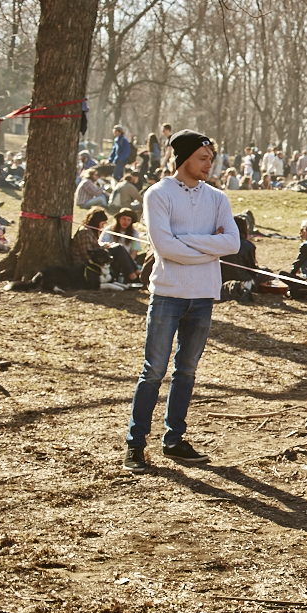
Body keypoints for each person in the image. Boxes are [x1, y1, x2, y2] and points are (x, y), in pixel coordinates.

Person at [123, 130, 239, 474]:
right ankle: (136, 444)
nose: (209, 164)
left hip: (203, 296)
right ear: (184, 158)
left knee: (186, 371)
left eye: (210, 159)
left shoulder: (217, 198)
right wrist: (208, 248)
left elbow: (232, 243)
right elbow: (165, 247)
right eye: (203, 158)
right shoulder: (158, 194)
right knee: (153, 371)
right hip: (168, 294)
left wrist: (186, 240)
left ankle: (174, 440)